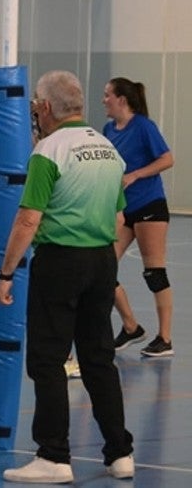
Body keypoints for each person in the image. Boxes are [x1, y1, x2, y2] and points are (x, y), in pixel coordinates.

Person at [0, 70, 134, 483]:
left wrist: (5, 273)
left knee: (47, 360)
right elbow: (119, 213)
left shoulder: (49, 150)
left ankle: (53, 456)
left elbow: (27, 219)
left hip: (60, 262)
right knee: (99, 359)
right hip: (101, 261)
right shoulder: (109, 148)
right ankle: (120, 453)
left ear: (45, 107)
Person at [102, 77, 175, 358]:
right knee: (103, 267)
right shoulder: (109, 129)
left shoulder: (144, 126)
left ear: (122, 99)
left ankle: (165, 338)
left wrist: (135, 174)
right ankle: (131, 326)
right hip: (121, 209)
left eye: (107, 95)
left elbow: (167, 159)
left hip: (149, 205)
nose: (103, 99)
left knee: (154, 272)